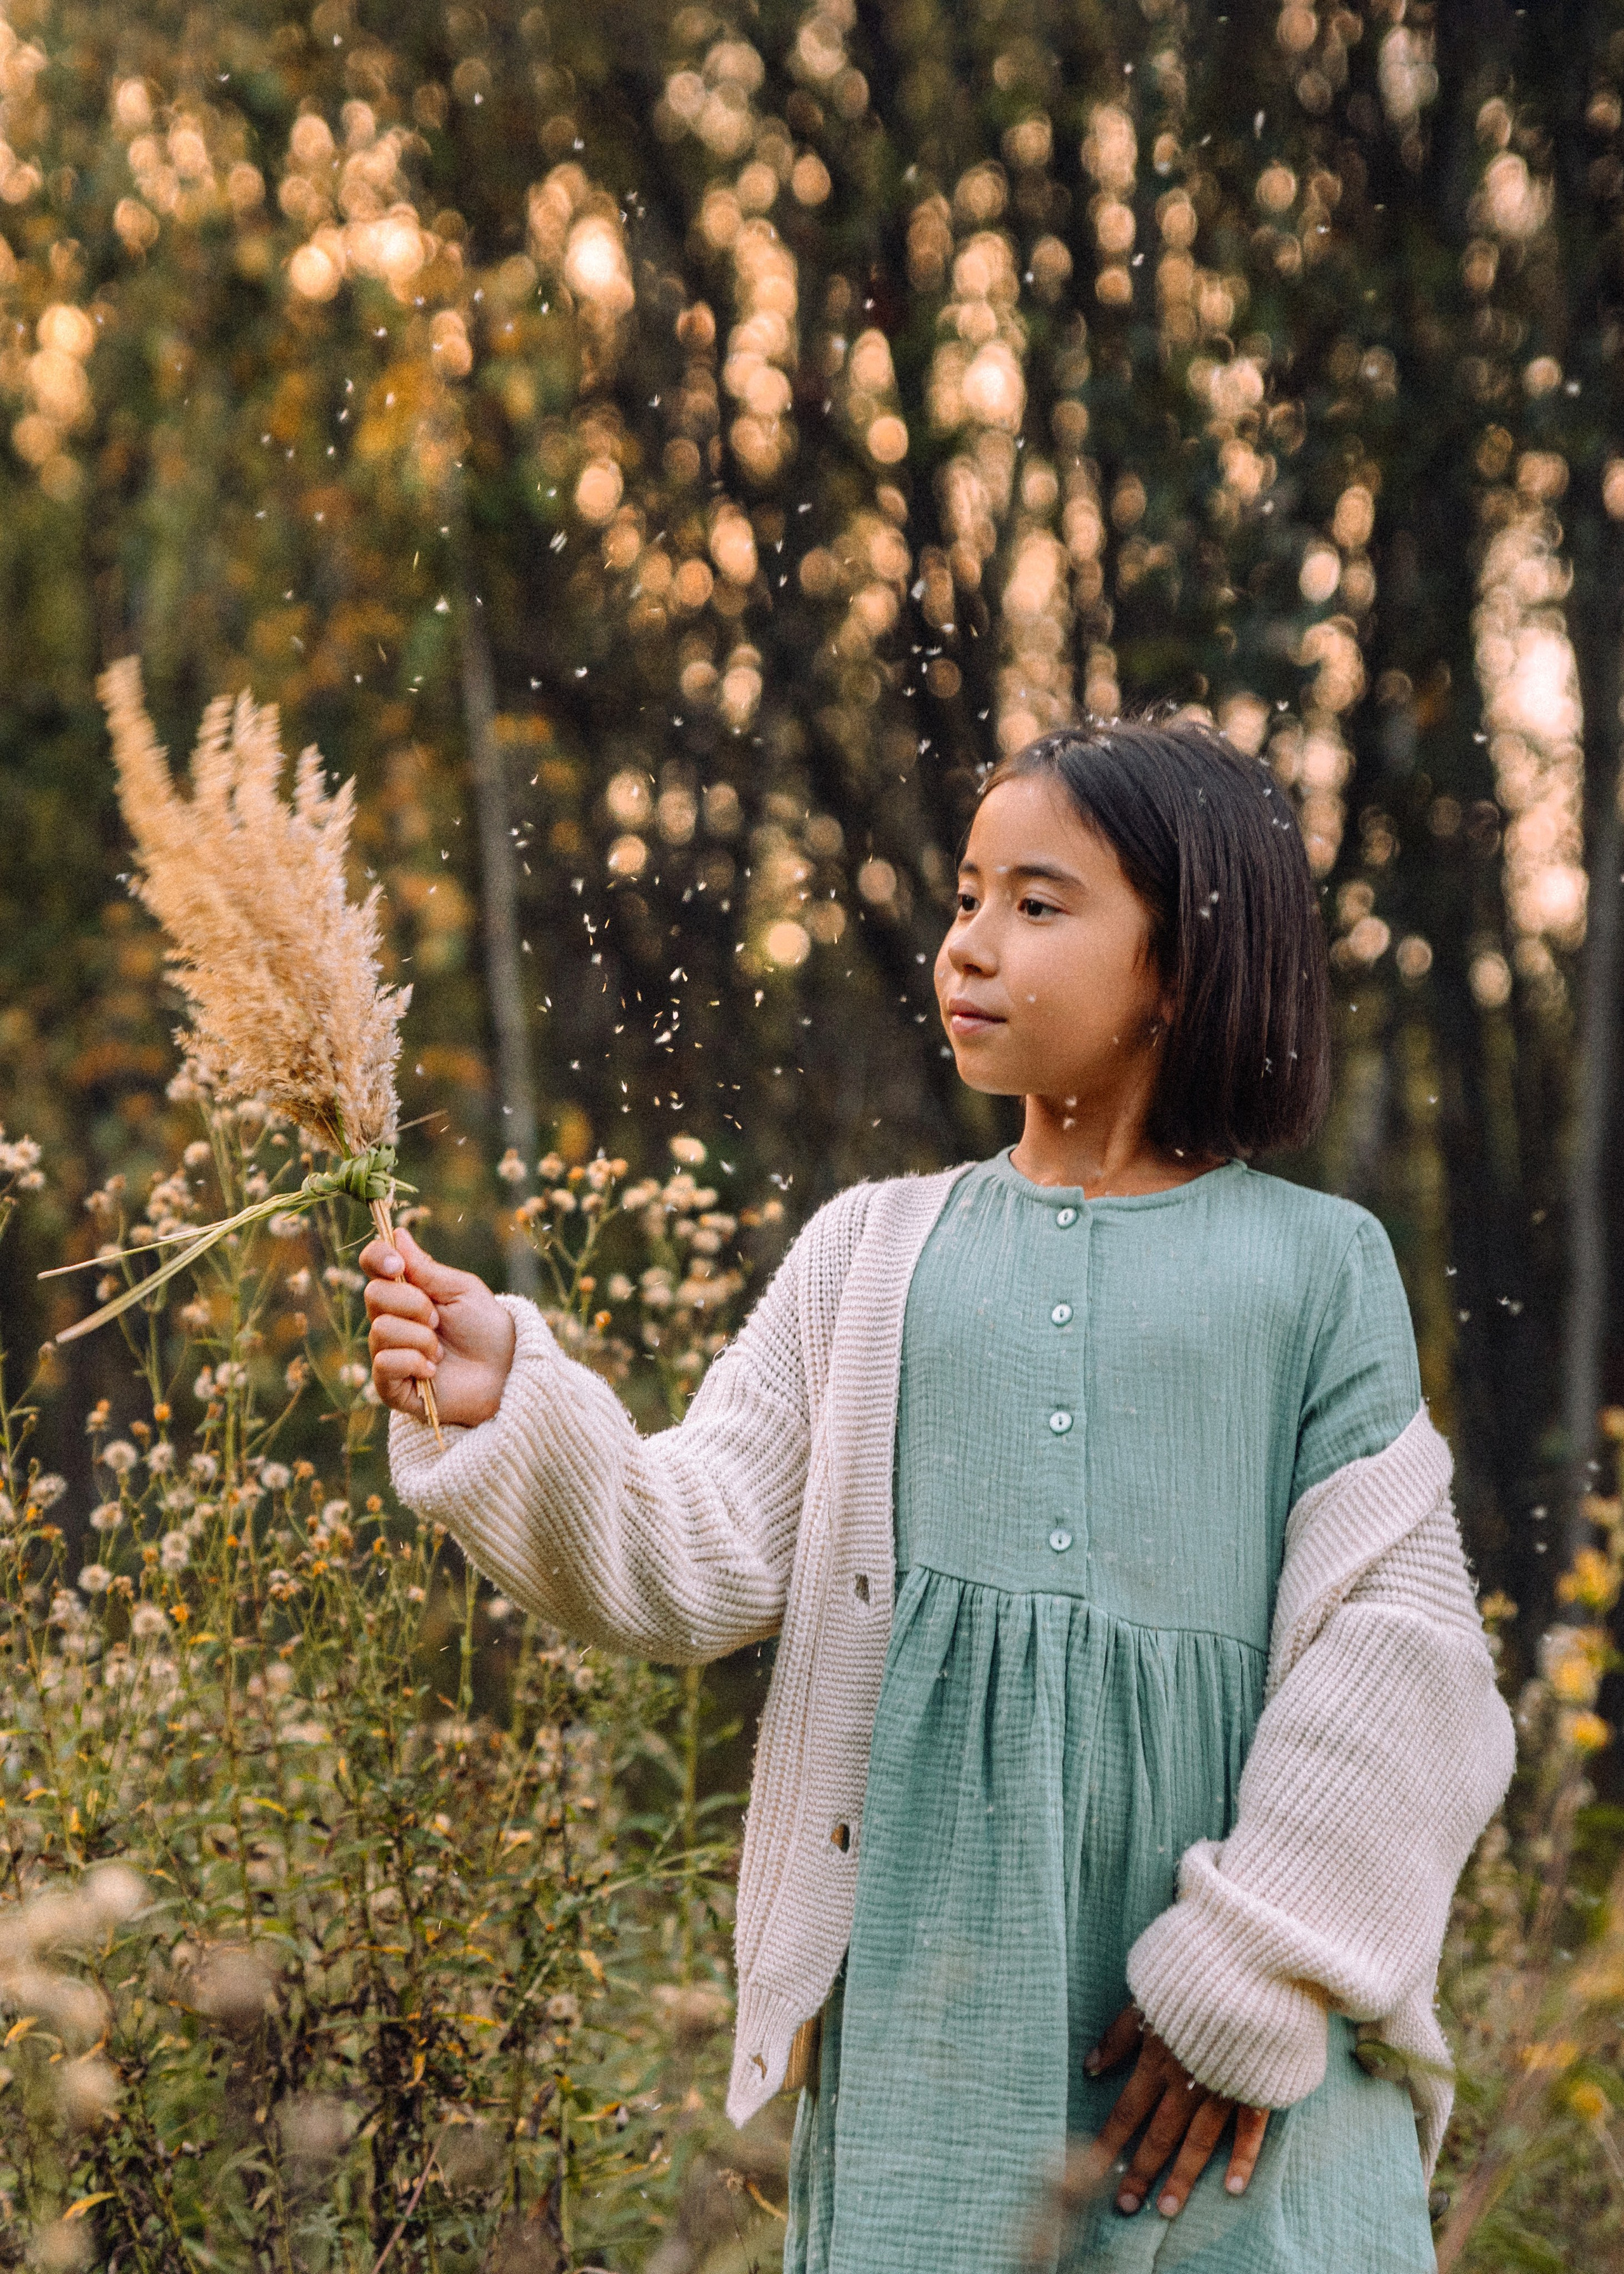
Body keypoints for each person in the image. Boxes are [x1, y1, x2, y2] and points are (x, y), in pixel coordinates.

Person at [363, 718, 1516, 2273]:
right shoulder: (868, 1251)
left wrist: (1243, 1977)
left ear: (1178, 963)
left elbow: (1405, 1653)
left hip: (1227, 2047)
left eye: (1037, 905)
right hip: (938, 2001)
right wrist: (520, 1396)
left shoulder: (1316, 1268)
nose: (967, 943)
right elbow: (691, 1549)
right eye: (968, 896)